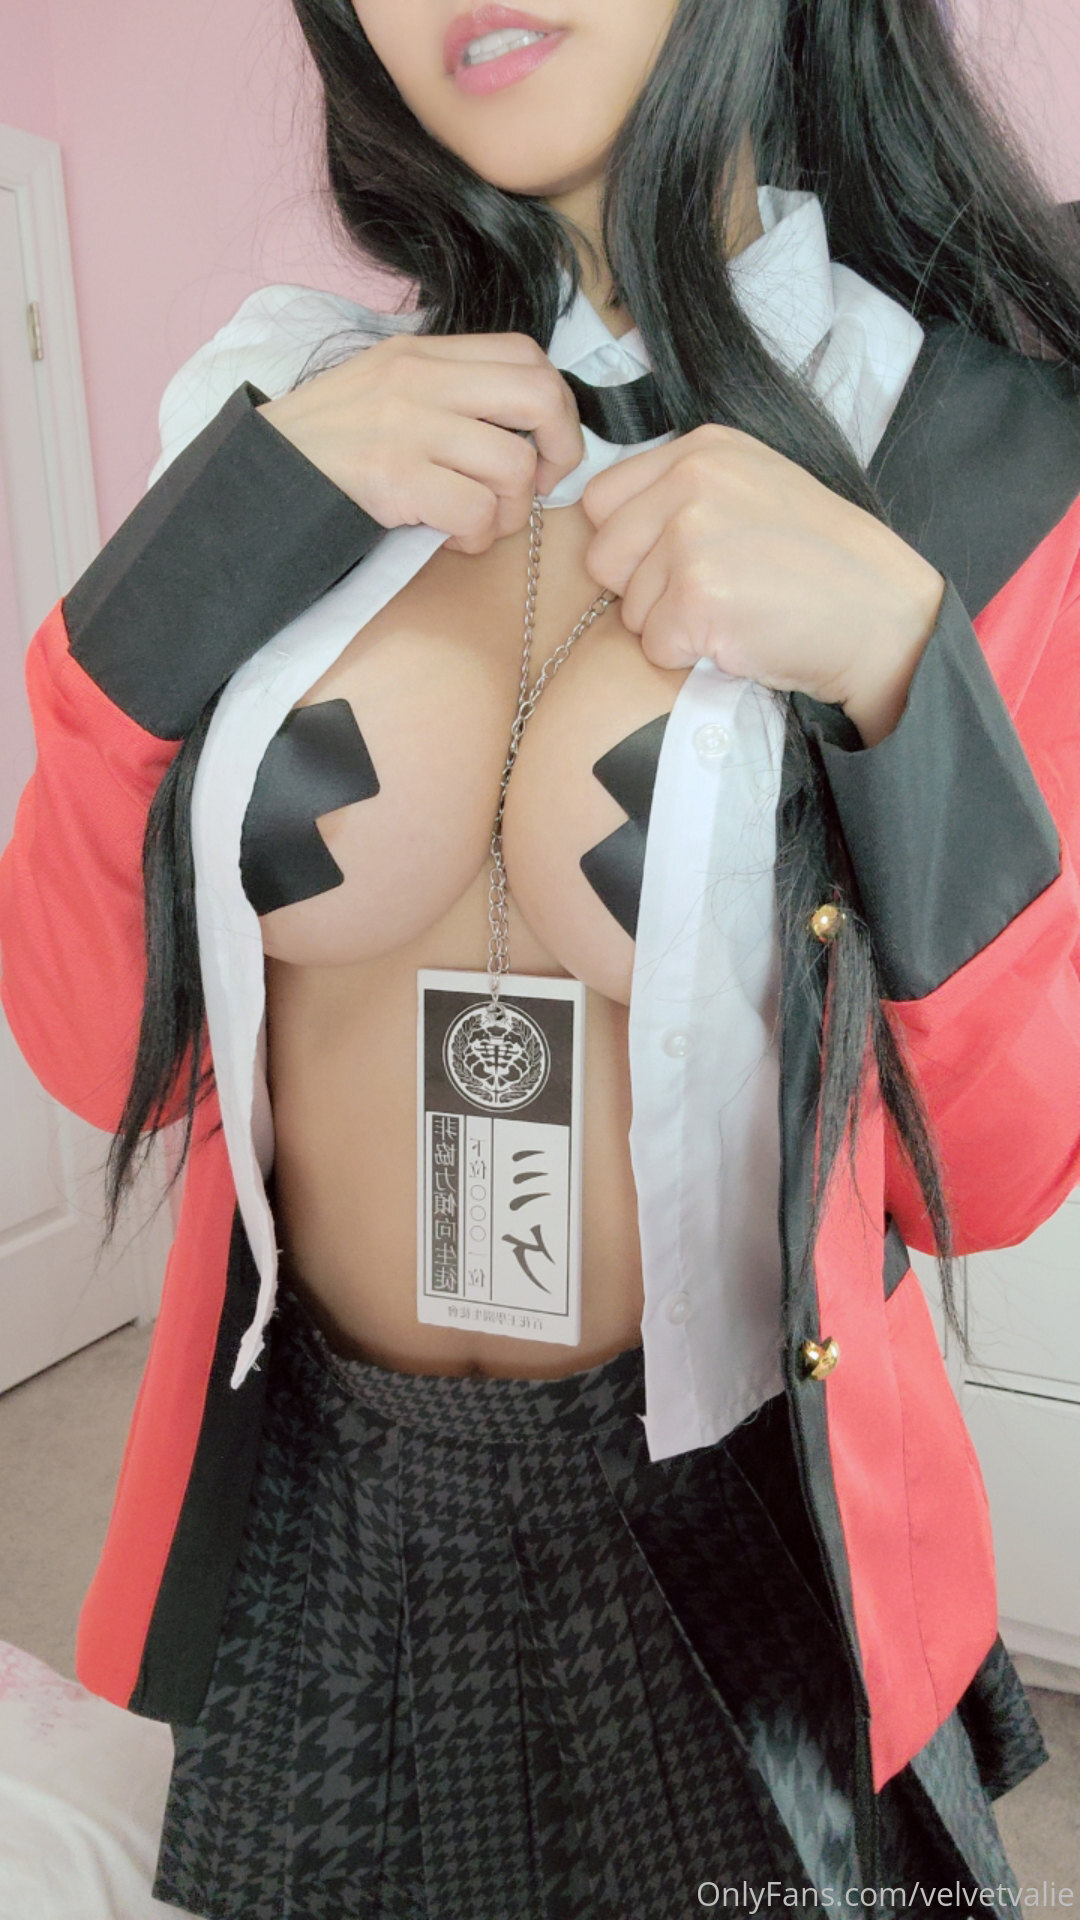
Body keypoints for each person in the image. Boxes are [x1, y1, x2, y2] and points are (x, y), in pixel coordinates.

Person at [2, 0, 1079, 1913]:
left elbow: (981, 1179)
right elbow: (99, 1050)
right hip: (318, 1511)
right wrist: (226, 525)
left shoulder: (968, 457)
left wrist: (897, 676)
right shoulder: (283, 406)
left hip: (729, 1539)